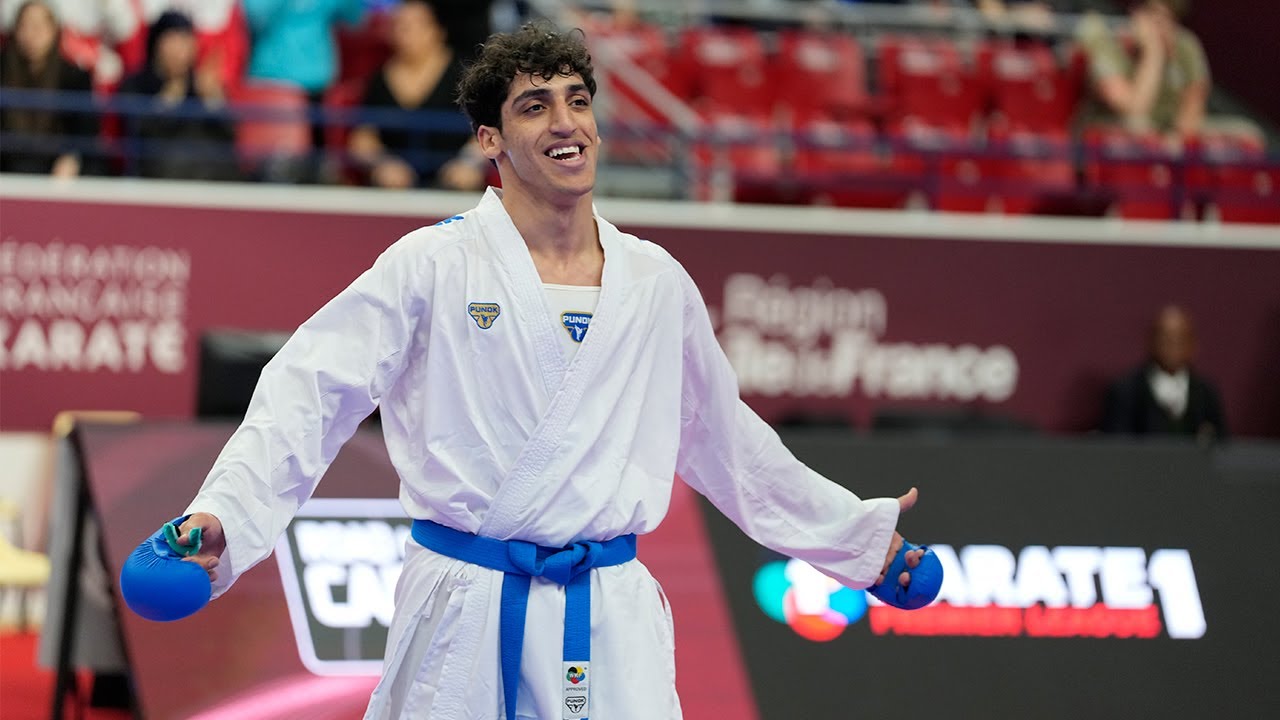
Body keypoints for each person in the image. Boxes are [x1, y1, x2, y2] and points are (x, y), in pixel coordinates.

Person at [169, 22, 929, 719]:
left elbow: (725, 441)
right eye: (535, 107)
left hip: (608, 615)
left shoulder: (654, 281)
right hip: (463, 606)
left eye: (578, 101)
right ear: (489, 139)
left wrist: (859, 542)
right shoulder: (432, 265)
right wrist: (225, 516)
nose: (567, 124)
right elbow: (308, 393)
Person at [347, 0, 486, 190]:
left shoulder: (464, 73)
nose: (404, 33)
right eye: (398, 26)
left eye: (414, 25)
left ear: (437, 30)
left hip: (454, 182)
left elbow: (488, 130)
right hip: (396, 186)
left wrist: (468, 162)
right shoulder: (379, 78)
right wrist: (383, 163)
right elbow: (363, 138)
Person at [115, 11, 238, 180]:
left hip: (210, 177)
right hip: (161, 176)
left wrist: (214, 101)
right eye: (173, 39)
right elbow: (137, 133)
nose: (180, 49)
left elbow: (229, 137)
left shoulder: (202, 84)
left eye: (186, 40)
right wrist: (167, 102)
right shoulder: (136, 84)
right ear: (157, 42)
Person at [0, 0, 104, 176]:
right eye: (25, 26)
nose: (31, 35)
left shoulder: (75, 77)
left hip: (55, 164)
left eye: (39, 27)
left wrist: (72, 157)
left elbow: (85, 130)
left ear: (54, 31)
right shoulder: (3, 70)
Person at [1101, 304, 1227, 442]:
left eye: (1179, 339)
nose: (1172, 346)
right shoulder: (1126, 391)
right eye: (1165, 338)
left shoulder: (1206, 393)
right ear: (1151, 341)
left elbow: (1224, 447)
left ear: (1193, 345)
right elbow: (1115, 449)